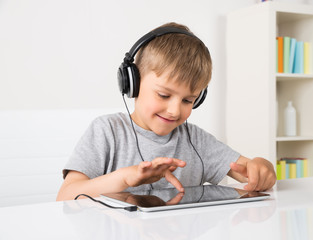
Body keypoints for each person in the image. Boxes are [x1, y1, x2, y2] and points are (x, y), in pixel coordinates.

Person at [56, 22, 276, 201]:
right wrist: (125, 178)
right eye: (163, 95)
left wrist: (262, 168)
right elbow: (65, 197)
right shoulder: (107, 131)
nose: (174, 110)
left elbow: (248, 171)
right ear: (133, 83)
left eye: (188, 100)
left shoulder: (196, 140)